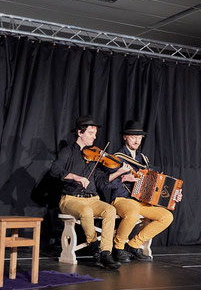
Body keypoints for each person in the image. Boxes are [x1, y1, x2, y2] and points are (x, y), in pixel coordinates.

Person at [98, 120, 182, 262]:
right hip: (122, 199)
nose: (137, 140)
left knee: (167, 217)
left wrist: (174, 195)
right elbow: (105, 184)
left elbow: (155, 185)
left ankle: (133, 245)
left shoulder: (143, 159)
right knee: (132, 213)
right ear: (125, 137)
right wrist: (124, 178)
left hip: (141, 202)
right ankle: (118, 248)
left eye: (139, 137)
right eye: (133, 136)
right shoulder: (116, 158)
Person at [50, 115, 120, 270]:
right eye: (90, 133)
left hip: (92, 199)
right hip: (70, 199)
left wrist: (118, 171)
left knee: (110, 210)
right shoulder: (67, 151)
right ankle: (94, 246)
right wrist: (75, 177)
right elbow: (55, 170)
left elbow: (101, 182)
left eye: (95, 134)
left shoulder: (95, 155)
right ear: (80, 133)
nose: (94, 137)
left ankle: (106, 252)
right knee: (86, 211)